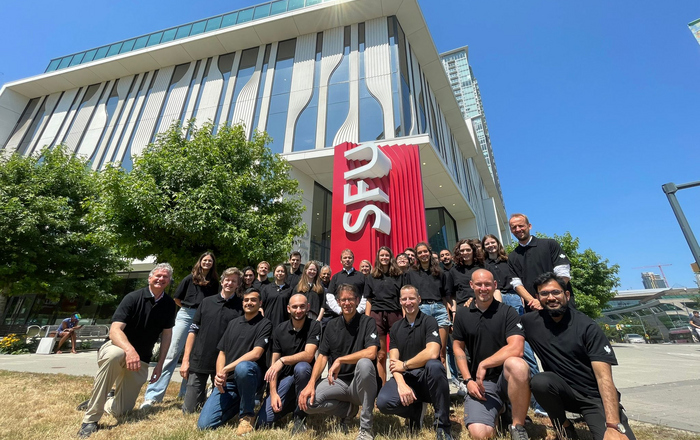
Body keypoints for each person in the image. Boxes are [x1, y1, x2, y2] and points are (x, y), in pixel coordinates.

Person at [523, 272, 636, 440]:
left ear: (567, 295)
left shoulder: (587, 327)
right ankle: (565, 427)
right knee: (540, 381)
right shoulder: (530, 322)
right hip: (562, 394)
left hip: (593, 398)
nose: (551, 297)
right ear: (537, 298)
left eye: (556, 292)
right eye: (544, 294)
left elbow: (604, 377)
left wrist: (612, 424)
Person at [77, 263, 177, 438]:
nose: (161, 279)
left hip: (142, 358)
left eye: (165, 277)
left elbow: (167, 335)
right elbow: (115, 330)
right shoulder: (133, 297)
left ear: (169, 281)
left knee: (122, 410)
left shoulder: (169, 304)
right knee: (116, 355)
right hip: (117, 348)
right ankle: (90, 420)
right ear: (150, 278)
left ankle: (106, 401)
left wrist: (160, 365)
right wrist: (129, 350)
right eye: (158, 275)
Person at [452, 269, 531, 440]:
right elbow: (457, 347)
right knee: (480, 434)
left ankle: (518, 426)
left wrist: (484, 364)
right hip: (482, 384)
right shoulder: (462, 314)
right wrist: (468, 380)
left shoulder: (508, 312)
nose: (483, 288)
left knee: (517, 364)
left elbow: (517, 348)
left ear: (494, 285)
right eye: (478, 284)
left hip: (507, 379)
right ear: (471, 285)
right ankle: (501, 409)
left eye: (487, 284)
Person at [299, 284, 380, 440]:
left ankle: (366, 428)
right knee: (308, 403)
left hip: (359, 385)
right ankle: (348, 410)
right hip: (338, 382)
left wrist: (341, 359)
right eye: (343, 300)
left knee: (364, 363)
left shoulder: (367, 322)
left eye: (350, 299)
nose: (347, 303)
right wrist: (310, 384)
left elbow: (371, 353)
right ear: (338, 301)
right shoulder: (330, 326)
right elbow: (322, 356)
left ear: (357, 300)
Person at [141, 252, 219, 409]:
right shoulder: (189, 279)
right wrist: (188, 310)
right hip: (186, 314)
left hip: (204, 318)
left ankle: (186, 393)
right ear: (200, 261)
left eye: (210, 261)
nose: (207, 263)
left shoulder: (215, 282)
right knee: (172, 353)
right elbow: (177, 298)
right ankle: (153, 395)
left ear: (213, 264)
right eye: (204, 260)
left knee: (195, 356)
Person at [376, 285, 453, 440]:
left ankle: (442, 426)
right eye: (404, 299)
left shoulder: (429, 321)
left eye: (411, 298)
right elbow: (394, 362)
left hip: (428, 379)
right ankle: (415, 411)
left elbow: (432, 352)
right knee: (383, 402)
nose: (408, 302)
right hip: (408, 379)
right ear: (400, 302)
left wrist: (404, 365)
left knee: (435, 365)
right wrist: (401, 384)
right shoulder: (396, 327)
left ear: (419, 299)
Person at [483, 233, 547, 415]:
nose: (490, 246)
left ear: (498, 244)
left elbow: (519, 281)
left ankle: (539, 402)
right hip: (495, 301)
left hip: (514, 300)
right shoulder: (484, 265)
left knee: (523, 349)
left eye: (492, 242)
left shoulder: (510, 260)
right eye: (486, 244)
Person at [197, 288, 273, 433]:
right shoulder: (233, 323)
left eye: (253, 300)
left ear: (260, 303)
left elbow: (256, 353)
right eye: (246, 300)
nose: (249, 303)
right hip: (230, 382)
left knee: (243, 367)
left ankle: (247, 415)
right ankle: (241, 400)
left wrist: (226, 369)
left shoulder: (265, 324)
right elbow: (222, 352)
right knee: (204, 425)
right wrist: (219, 374)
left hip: (251, 377)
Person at [180, 268, 244, 414]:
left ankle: (210, 397)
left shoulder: (241, 307)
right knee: (189, 410)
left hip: (225, 363)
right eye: (227, 280)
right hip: (200, 359)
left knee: (219, 409)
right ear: (222, 282)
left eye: (233, 281)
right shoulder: (206, 302)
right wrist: (185, 360)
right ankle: (202, 397)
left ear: (238, 285)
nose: (229, 283)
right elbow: (193, 331)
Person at [257, 294, 321, 433]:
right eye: (295, 307)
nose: (298, 310)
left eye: (302, 306)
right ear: (288, 309)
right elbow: (274, 365)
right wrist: (273, 393)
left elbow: (309, 355)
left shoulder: (314, 325)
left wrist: (283, 360)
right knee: (262, 422)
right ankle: (290, 403)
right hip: (285, 379)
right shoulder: (280, 329)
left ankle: (300, 416)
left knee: (302, 367)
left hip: (305, 376)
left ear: (308, 307)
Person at [507, 213, 571, 311]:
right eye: (514, 227)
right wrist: (534, 301)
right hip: (534, 309)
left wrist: (547, 298)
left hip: (560, 306)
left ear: (529, 226)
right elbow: (516, 284)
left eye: (521, 225)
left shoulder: (550, 244)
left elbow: (563, 274)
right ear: (511, 230)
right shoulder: (512, 257)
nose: (518, 229)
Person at [406, 242, 451, 366]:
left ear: (430, 253)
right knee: (423, 350)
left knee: (441, 351)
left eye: (425, 251)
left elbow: (445, 297)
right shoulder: (411, 273)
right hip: (421, 310)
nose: (423, 254)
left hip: (439, 309)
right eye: (419, 252)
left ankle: (442, 384)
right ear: (416, 256)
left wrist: (449, 316)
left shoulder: (440, 272)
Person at [366, 246, 403, 385]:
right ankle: (381, 388)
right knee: (380, 355)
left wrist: (405, 318)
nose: (384, 258)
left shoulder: (399, 275)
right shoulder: (372, 276)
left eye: (386, 255)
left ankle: (398, 385)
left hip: (396, 314)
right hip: (377, 315)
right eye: (381, 255)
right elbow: (369, 299)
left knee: (398, 352)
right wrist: (367, 318)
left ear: (390, 257)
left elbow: (403, 298)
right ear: (378, 258)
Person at [324, 249, 371, 320]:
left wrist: (358, 310)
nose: (347, 260)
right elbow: (329, 295)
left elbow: (366, 295)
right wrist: (338, 310)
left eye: (349, 257)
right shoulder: (336, 277)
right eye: (345, 258)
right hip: (338, 316)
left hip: (358, 316)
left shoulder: (361, 276)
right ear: (341, 261)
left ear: (353, 260)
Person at [448, 239, 487, 309]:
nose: (465, 253)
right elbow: (451, 295)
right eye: (462, 251)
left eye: (468, 250)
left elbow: (494, 288)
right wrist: (454, 311)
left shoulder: (484, 267)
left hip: (483, 304)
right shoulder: (454, 270)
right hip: (463, 307)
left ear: (473, 251)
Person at [261, 264, 293, 328]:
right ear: (274, 273)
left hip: (283, 323)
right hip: (268, 323)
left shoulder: (290, 289)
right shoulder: (267, 288)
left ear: (286, 274)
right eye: (278, 271)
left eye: (282, 271)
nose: (280, 273)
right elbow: (261, 306)